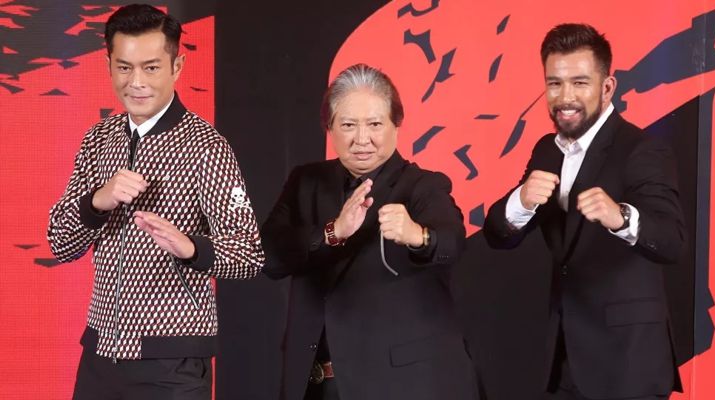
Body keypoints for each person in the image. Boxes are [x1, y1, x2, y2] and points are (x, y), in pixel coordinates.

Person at [47, 4, 264, 399]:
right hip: (99, 355)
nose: (137, 82)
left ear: (176, 67)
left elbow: (249, 253)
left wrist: (190, 247)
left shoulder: (206, 147)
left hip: (173, 362)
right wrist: (99, 200)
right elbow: (60, 242)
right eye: (124, 67)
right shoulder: (98, 139)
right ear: (109, 64)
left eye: (151, 67)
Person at [483, 23, 685, 400]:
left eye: (579, 82)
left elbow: (672, 241)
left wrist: (621, 218)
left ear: (607, 87)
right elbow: (498, 235)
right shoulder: (546, 149)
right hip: (563, 359)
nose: (565, 97)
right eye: (554, 83)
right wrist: (522, 201)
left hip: (627, 361)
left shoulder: (641, 149)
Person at [261, 64, 478, 400]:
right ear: (329, 128)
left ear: (396, 125)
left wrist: (419, 236)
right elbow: (269, 257)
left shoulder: (423, 185)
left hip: (403, 384)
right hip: (316, 384)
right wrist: (334, 232)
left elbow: (451, 241)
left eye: (375, 124)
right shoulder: (306, 182)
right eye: (348, 125)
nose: (362, 139)